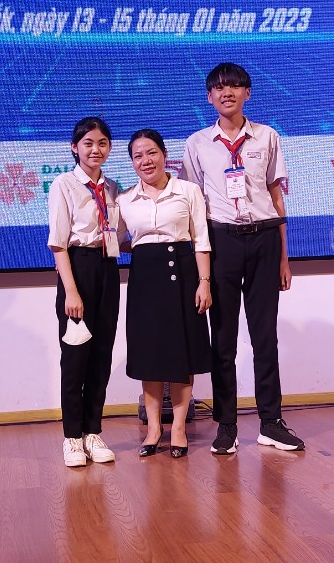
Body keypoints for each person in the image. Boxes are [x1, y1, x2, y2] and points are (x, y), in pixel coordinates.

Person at [180, 63, 305, 455]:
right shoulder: (197, 143)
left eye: (234, 86)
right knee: (223, 341)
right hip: (221, 242)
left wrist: (284, 257)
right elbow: (194, 205)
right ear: (209, 97)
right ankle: (227, 425)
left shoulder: (267, 136)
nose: (227, 92)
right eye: (218, 88)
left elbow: (276, 196)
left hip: (265, 239)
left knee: (265, 337)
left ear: (247, 93)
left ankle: (271, 422)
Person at [119, 129, 211, 458]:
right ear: (132, 162)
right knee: (150, 356)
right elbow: (116, 239)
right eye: (138, 156)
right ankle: (154, 429)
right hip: (145, 277)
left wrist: (204, 281)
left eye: (151, 153)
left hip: (183, 274)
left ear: (164, 154)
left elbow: (201, 239)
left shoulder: (188, 190)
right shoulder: (124, 199)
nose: (146, 161)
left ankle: (180, 428)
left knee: (181, 354)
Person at [47, 116, 126, 468]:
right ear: (74, 147)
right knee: (75, 357)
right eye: (88, 143)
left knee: (102, 355)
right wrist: (71, 292)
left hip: (108, 268)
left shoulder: (113, 188)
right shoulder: (63, 184)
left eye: (103, 143)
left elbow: (118, 236)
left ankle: (93, 432)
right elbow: (58, 244)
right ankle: (72, 438)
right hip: (77, 270)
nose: (96, 150)